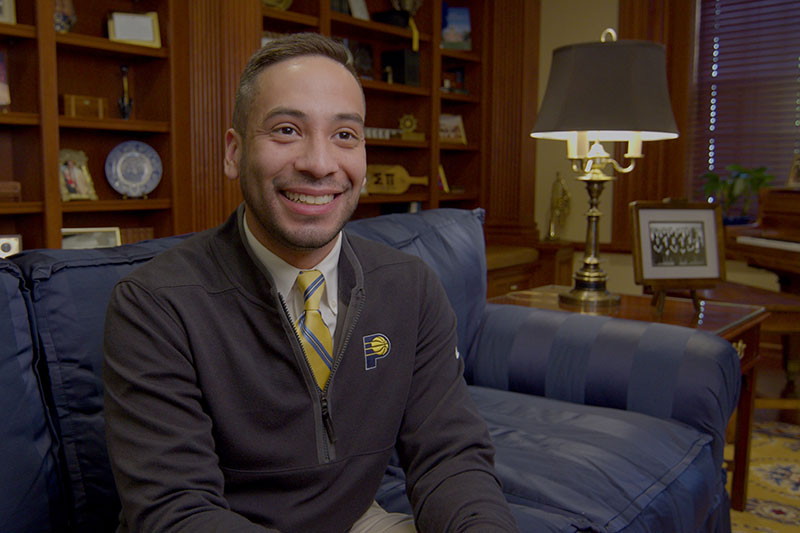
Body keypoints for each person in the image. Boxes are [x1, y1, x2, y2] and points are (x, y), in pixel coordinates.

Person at [103, 33, 518, 532]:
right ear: (234, 152)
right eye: (286, 129)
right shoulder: (154, 305)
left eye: (345, 135)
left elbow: (450, 456)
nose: (320, 164)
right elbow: (176, 512)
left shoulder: (411, 287)